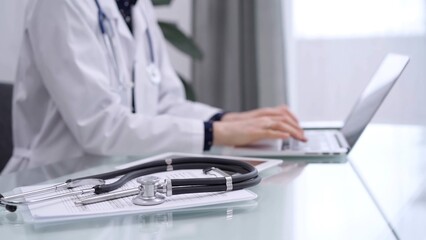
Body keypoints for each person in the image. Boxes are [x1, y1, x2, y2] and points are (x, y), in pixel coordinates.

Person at [3, 0, 306, 174]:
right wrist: (217, 134)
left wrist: (231, 120)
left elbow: (163, 102)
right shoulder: (60, 4)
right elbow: (100, 127)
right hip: (51, 182)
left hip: (117, 180)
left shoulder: (136, 6)